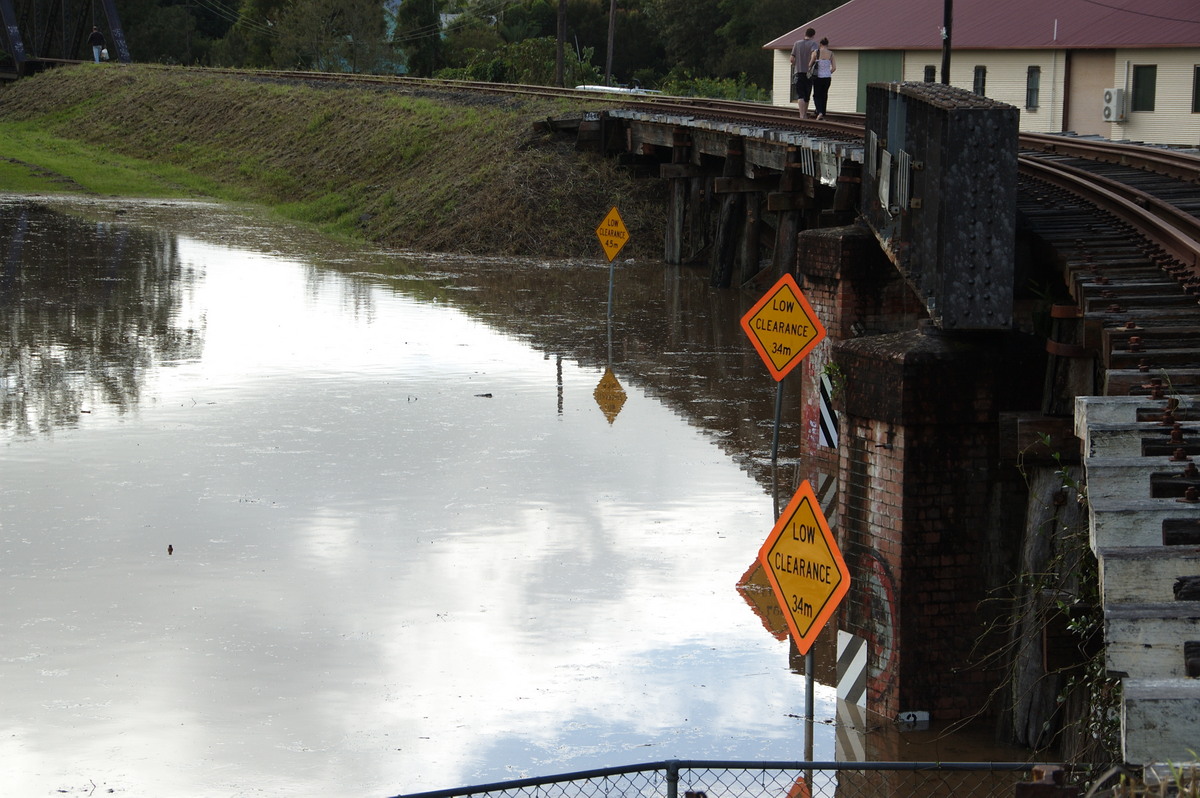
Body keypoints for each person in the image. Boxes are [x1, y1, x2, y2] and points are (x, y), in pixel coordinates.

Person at [789, 28, 818, 119]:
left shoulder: (797, 44)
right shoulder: (813, 44)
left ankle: (801, 115)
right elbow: (814, 55)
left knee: (800, 94)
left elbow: (792, 59)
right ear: (813, 35)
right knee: (807, 94)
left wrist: (796, 64)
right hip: (809, 73)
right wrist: (810, 64)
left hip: (799, 72)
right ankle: (805, 113)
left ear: (805, 34)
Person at [808, 37, 836, 120]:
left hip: (818, 77)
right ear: (827, 45)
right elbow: (834, 68)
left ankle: (819, 112)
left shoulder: (816, 52)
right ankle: (823, 113)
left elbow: (810, 64)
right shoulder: (831, 54)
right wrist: (828, 73)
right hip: (827, 78)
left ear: (820, 44)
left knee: (816, 95)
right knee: (824, 95)